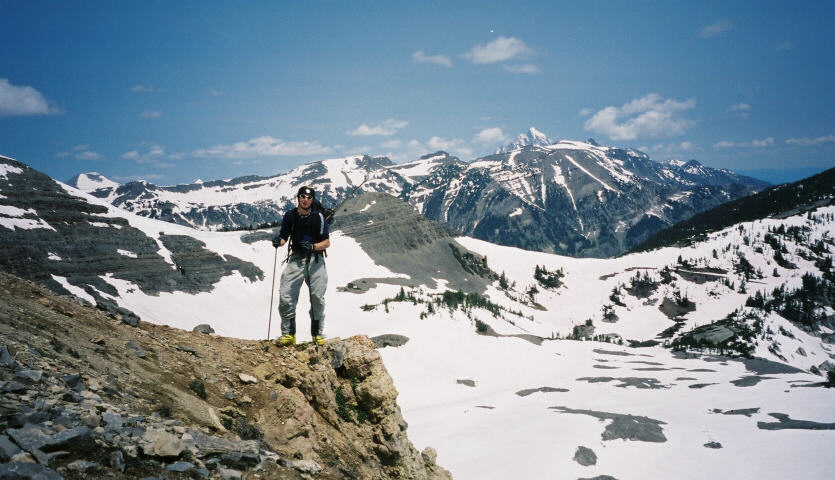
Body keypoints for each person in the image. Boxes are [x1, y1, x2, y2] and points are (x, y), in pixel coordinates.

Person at [272, 186, 330, 346]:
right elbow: (284, 236)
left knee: (317, 298)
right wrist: (279, 241)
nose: (305, 199)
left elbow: (326, 242)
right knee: (286, 295)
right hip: (297, 258)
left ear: (312, 200)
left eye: (309, 197)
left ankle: (317, 334)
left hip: (315, 259)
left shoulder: (318, 217)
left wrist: (312, 247)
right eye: (303, 196)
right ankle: (289, 335)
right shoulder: (290, 216)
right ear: (298, 198)